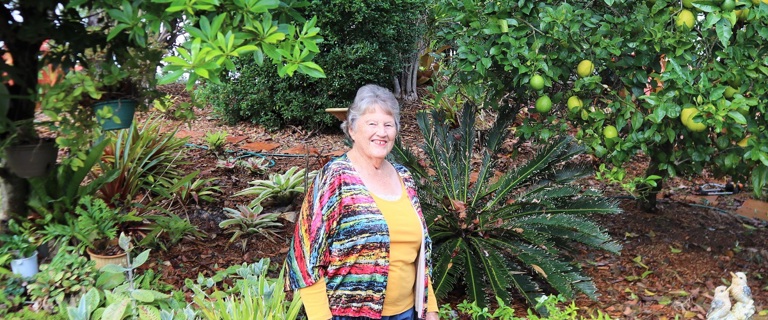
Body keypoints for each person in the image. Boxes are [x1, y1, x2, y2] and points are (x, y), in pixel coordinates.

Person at [286, 84, 439, 320]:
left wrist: (431, 309)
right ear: (352, 129)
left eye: (388, 124)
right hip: (348, 314)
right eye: (372, 124)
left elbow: (420, 255)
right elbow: (305, 254)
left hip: (408, 313)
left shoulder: (404, 177)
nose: (381, 132)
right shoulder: (336, 177)